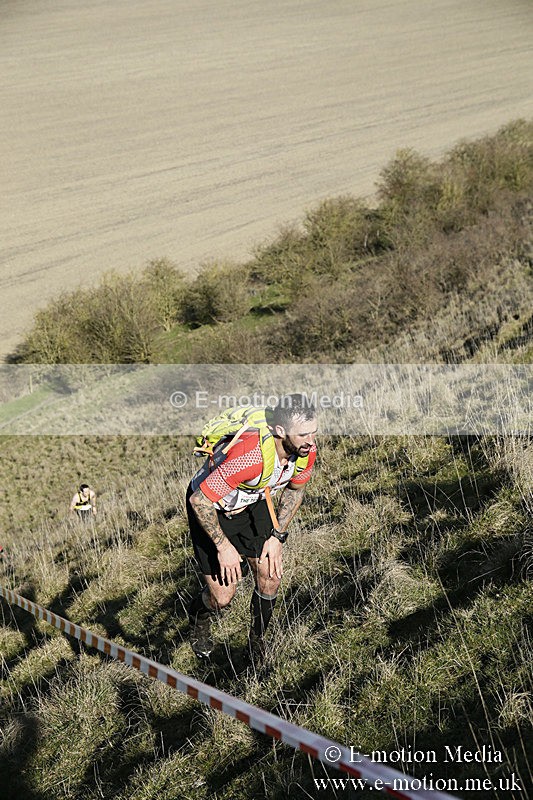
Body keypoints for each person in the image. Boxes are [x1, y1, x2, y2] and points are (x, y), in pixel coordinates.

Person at [186, 393, 318, 665]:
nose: (311, 441)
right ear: (280, 431)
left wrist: (277, 536)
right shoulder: (249, 458)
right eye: (303, 434)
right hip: (213, 508)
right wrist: (224, 548)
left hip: (254, 498)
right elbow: (199, 500)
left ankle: (257, 641)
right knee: (223, 597)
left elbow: (296, 490)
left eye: (314, 432)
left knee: (270, 574)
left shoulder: (305, 451)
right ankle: (200, 615)